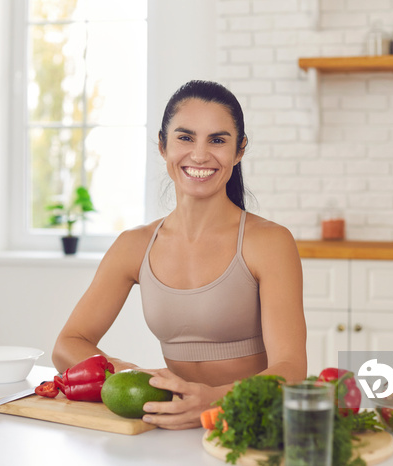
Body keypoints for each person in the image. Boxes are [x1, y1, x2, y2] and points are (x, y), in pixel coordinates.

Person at [52, 80, 307, 430]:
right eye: (185, 138)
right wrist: (136, 376)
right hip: (176, 427)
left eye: (217, 140)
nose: (200, 155)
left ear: (240, 150)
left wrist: (216, 399)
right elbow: (68, 344)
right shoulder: (134, 245)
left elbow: (291, 370)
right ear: (162, 145)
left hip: (254, 424)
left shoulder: (269, 242)